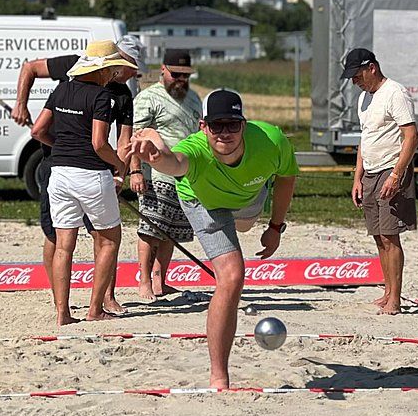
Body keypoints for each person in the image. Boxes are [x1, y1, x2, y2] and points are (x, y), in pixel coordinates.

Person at [125, 89, 298, 390]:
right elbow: (175, 162)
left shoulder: (272, 140)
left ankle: (244, 220)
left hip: (248, 199)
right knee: (232, 277)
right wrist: (156, 157)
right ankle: (220, 376)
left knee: (244, 225)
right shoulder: (195, 148)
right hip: (204, 202)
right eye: (216, 125)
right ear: (203, 127)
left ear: (244, 124)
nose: (225, 132)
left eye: (232, 124)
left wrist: (276, 226)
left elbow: (287, 178)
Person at [12, 36, 143, 314]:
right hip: (91, 173)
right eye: (116, 67)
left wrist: (62, 148)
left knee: (63, 244)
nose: (117, 73)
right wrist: (119, 168)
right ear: (104, 67)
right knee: (108, 239)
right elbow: (99, 143)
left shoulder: (63, 90)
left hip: (60, 171)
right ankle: (95, 310)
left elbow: (37, 132)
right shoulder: (103, 94)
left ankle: (63, 312)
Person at [343, 48, 418, 315]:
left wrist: (397, 174)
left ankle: (395, 300)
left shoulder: (395, 93)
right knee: (377, 236)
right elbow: (365, 140)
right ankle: (387, 291)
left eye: (357, 75)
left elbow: (411, 137)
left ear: (372, 67)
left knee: (390, 235)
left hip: (392, 169)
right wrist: (357, 177)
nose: (355, 81)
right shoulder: (364, 98)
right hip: (371, 173)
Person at [126, 49, 202, 302]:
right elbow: (135, 137)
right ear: (163, 69)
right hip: (153, 176)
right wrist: (135, 171)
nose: (180, 79)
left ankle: (161, 281)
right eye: (176, 74)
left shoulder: (194, 98)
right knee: (151, 229)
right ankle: (144, 282)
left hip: (184, 176)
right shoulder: (148, 98)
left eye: (185, 75)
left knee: (172, 232)